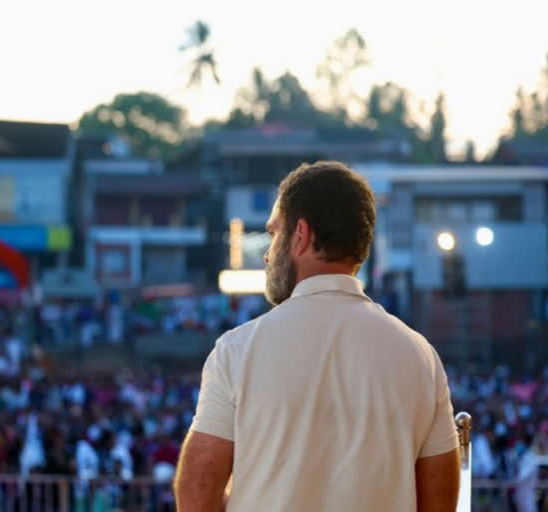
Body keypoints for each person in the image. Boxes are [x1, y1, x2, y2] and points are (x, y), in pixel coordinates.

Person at [174, 161, 460, 511]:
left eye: (273, 233)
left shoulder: (238, 350)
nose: (267, 253)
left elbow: (197, 492)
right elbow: (440, 502)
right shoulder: (420, 357)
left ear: (301, 235)